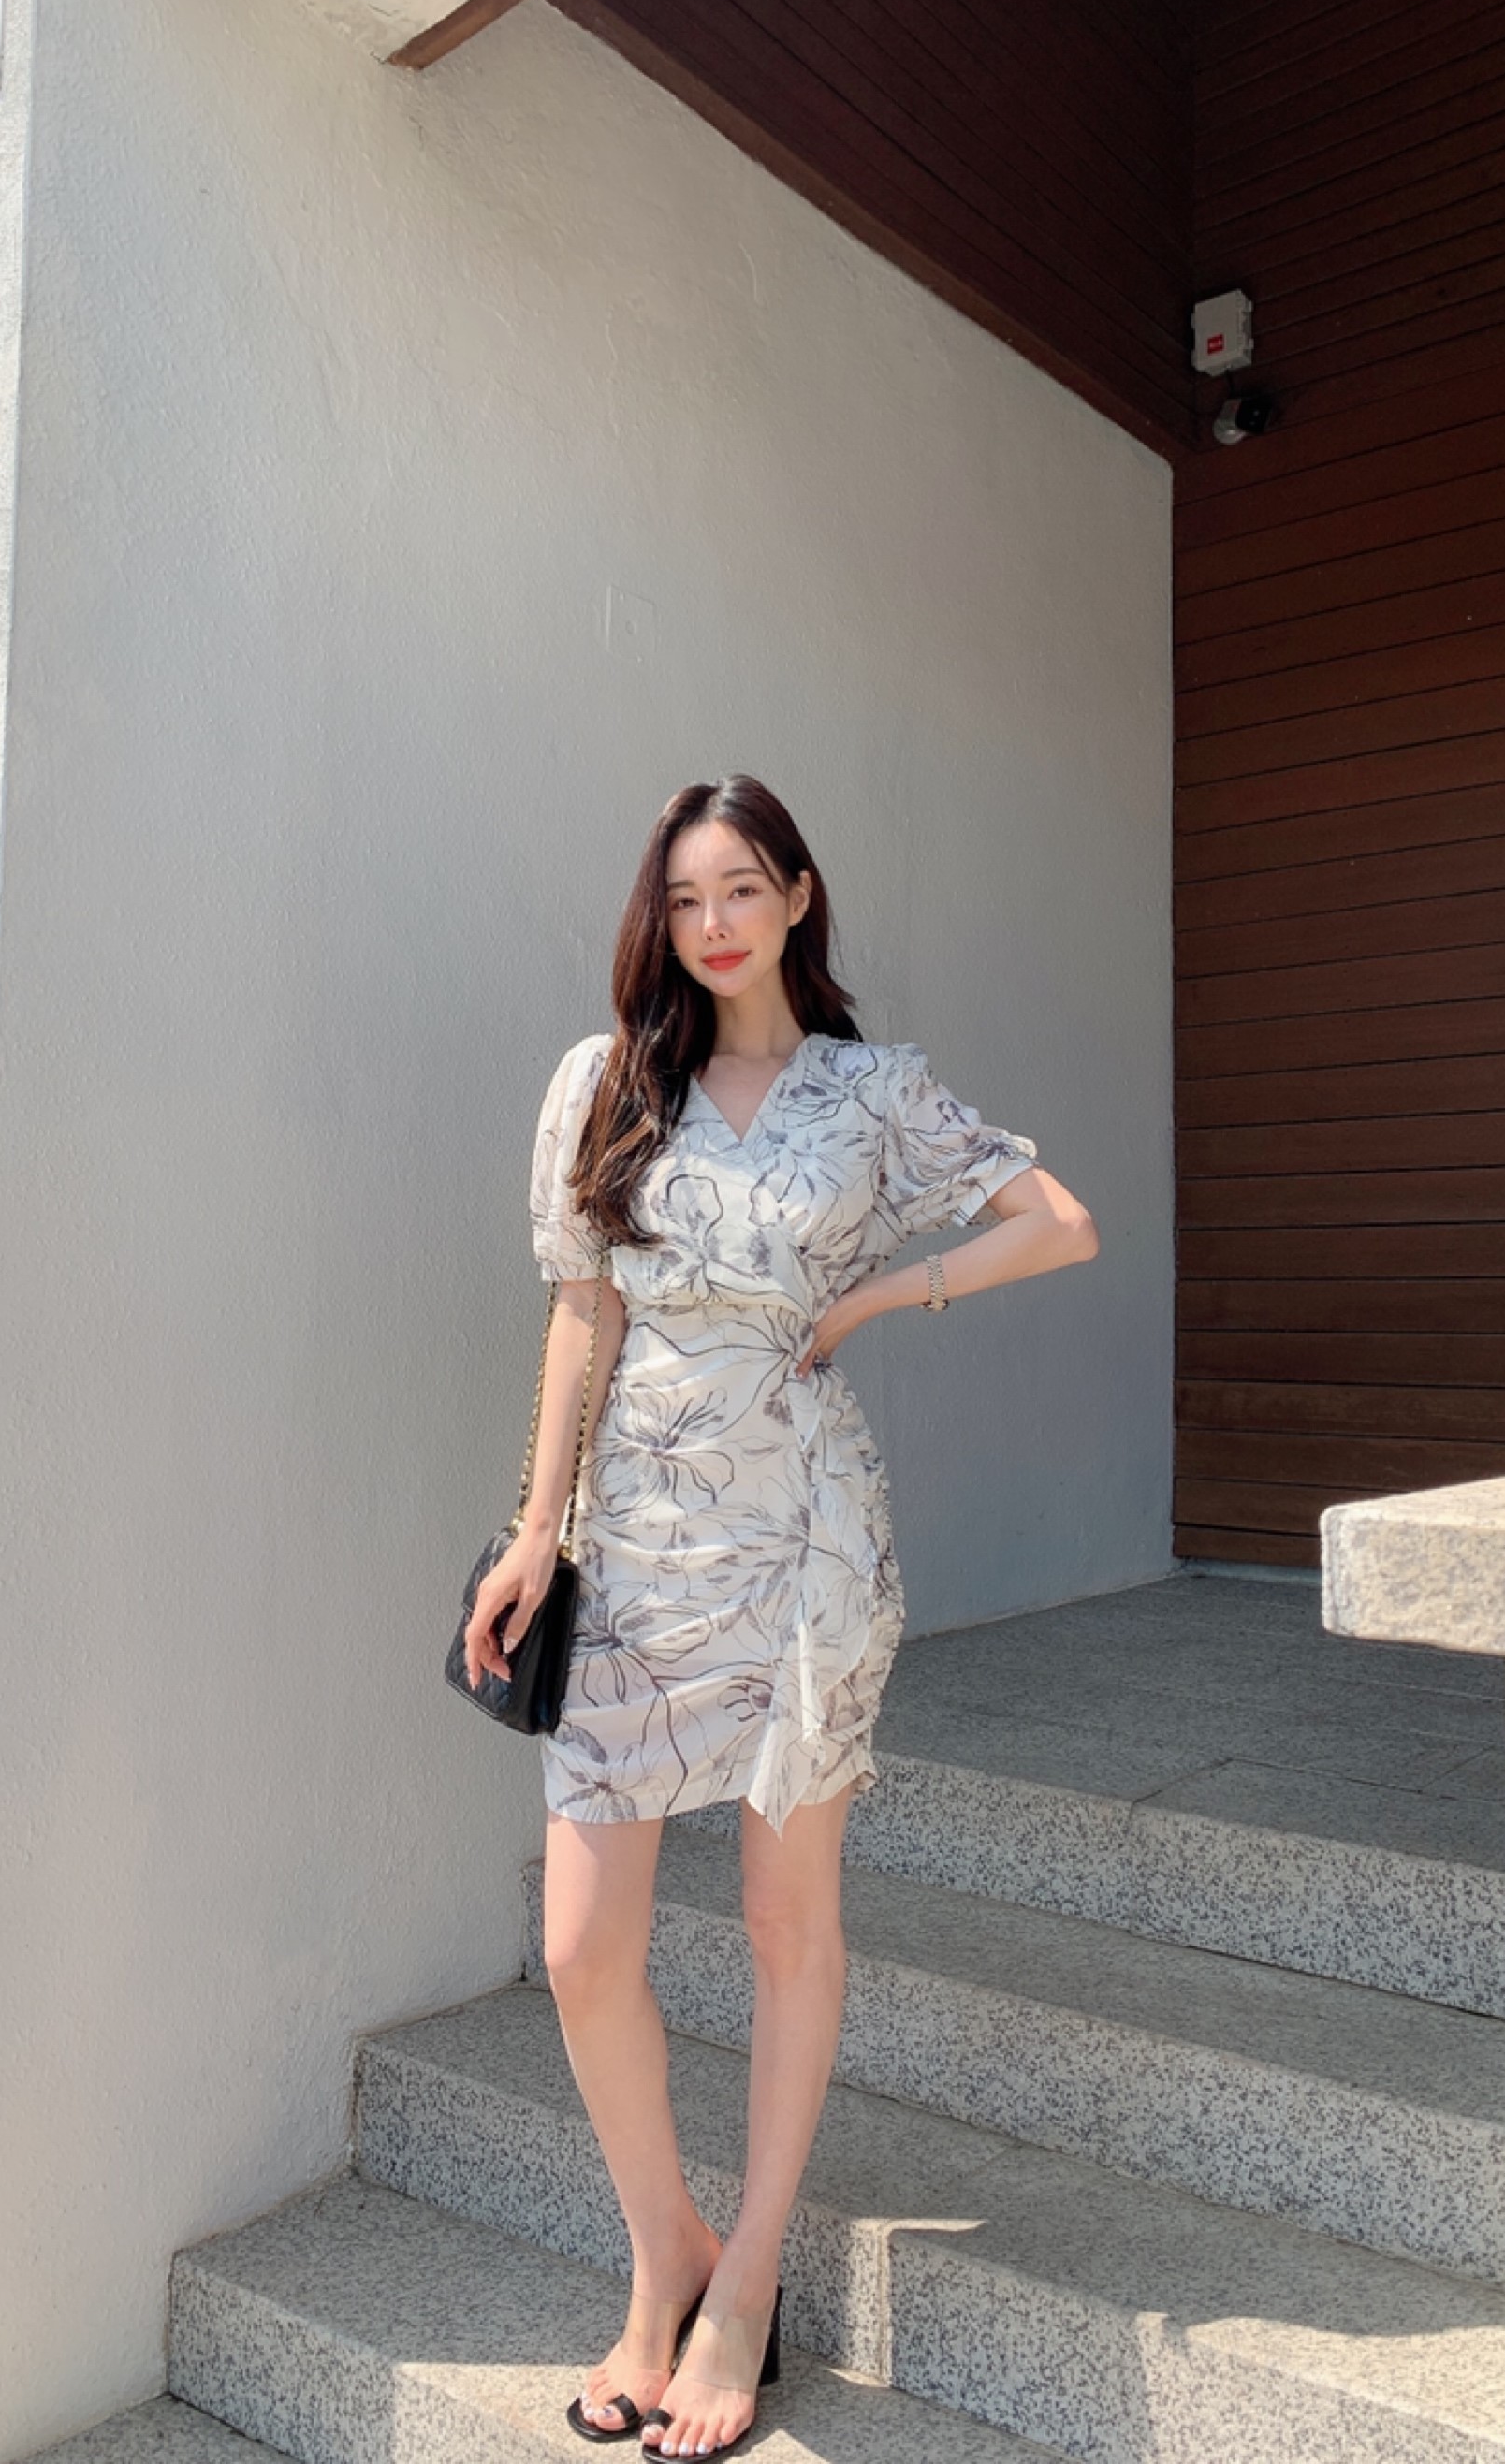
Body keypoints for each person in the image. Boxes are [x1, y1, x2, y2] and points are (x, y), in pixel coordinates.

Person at [463, 777, 1098, 2459]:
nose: (714, 923)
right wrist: (535, 1531)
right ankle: (662, 2243)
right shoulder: (606, 1081)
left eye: (741, 887)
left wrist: (883, 1290)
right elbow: (581, 1313)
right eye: (684, 898)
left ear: (799, 895)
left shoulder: (872, 1093)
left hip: (804, 1544)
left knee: (783, 1918)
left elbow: (1058, 1223)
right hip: (632, 1550)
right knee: (582, 1944)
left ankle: (740, 2289)